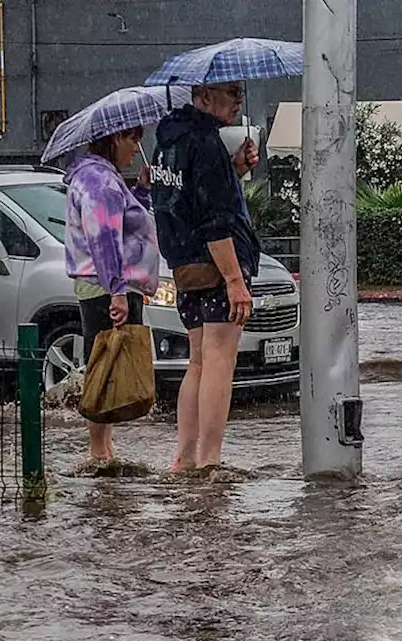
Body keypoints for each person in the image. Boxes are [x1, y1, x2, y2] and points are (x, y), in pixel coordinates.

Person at [150, 81, 261, 474]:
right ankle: (210, 459)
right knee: (219, 362)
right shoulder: (206, 142)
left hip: (184, 267)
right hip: (215, 266)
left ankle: (185, 456)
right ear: (204, 97)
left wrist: (235, 170)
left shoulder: (168, 142)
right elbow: (214, 220)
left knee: (197, 362)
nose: (238, 101)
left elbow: (184, 198)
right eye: (231, 93)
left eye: (239, 94)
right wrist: (235, 280)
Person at [63, 126, 160, 462]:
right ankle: (99, 451)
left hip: (106, 283)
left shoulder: (103, 178)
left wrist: (142, 192)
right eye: (133, 139)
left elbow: (124, 224)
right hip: (106, 284)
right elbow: (104, 239)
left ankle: (103, 448)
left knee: (105, 360)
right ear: (115, 138)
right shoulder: (98, 181)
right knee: (103, 362)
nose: (137, 147)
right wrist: (117, 291)